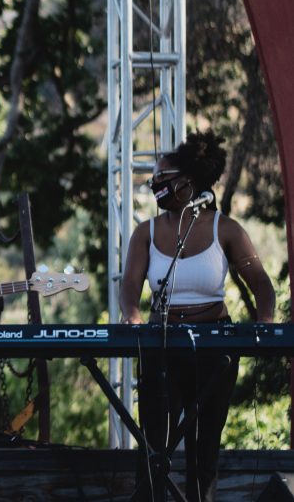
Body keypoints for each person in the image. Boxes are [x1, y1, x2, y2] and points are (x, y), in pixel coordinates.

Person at [120, 131, 275, 502]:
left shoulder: (227, 229)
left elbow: (262, 286)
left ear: (188, 182)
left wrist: (266, 327)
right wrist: (133, 318)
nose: (155, 184)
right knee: (154, 446)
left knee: (204, 448)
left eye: (163, 177)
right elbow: (130, 287)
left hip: (215, 348)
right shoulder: (145, 233)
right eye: (154, 178)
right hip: (162, 344)